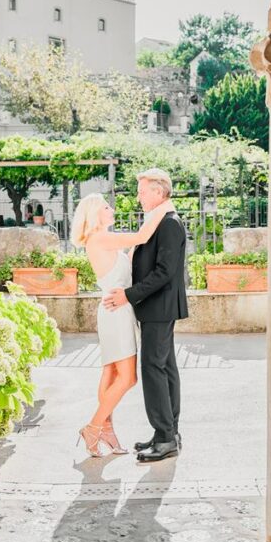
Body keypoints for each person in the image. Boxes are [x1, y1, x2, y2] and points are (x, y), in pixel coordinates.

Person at [70, 193, 174, 456]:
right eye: (106, 206)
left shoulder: (103, 241)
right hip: (115, 312)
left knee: (112, 373)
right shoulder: (101, 237)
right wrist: (163, 208)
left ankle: (106, 430)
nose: (111, 209)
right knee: (127, 377)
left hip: (115, 309)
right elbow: (141, 236)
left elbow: (128, 260)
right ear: (95, 213)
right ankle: (94, 427)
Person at [103, 169, 188, 462]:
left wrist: (128, 294)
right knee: (165, 368)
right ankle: (167, 432)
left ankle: (166, 438)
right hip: (157, 306)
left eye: (141, 191)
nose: (138, 196)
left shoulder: (168, 224)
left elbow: (164, 272)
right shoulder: (160, 221)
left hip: (159, 307)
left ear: (158, 191)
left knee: (153, 368)